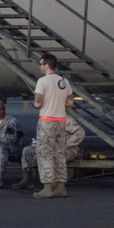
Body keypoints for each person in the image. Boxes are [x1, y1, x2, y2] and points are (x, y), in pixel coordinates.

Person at [32, 53, 76, 198]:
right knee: (59, 154)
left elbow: (37, 103)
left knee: (44, 153)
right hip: (61, 120)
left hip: (47, 120)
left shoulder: (42, 81)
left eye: (41, 64)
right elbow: (70, 102)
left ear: (47, 65)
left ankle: (47, 185)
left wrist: (41, 102)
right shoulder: (64, 81)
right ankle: (61, 185)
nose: (39, 66)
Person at [14, 117, 85, 190]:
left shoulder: (65, 119)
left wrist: (65, 144)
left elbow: (80, 133)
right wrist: (36, 144)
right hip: (49, 147)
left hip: (68, 149)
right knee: (27, 150)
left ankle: (54, 183)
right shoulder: (44, 120)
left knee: (51, 155)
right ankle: (27, 180)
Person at [0, 100, 23, 189]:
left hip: (13, 150)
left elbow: (10, 140)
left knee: (1, 149)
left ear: (1, 111)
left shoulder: (12, 121)